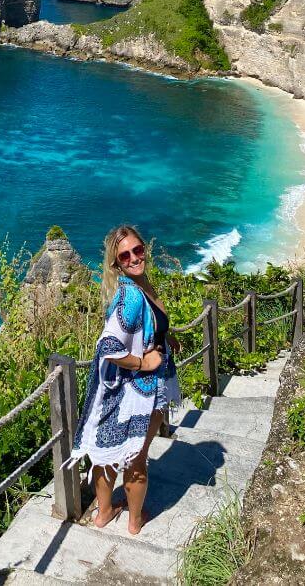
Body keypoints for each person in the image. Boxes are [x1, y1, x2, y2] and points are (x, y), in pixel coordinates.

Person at [67, 224, 180, 536]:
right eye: (125, 255)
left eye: (138, 250)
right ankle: (134, 521)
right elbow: (109, 346)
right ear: (116, 263)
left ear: (145, 249)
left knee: (108, 449)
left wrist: (165, 337)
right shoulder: (130, 295)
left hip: (118, 389)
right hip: (142, 390)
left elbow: (146, 325)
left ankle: (103, 514)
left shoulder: (140, 286)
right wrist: (144, 362)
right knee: (135, 456)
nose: (134, 258)